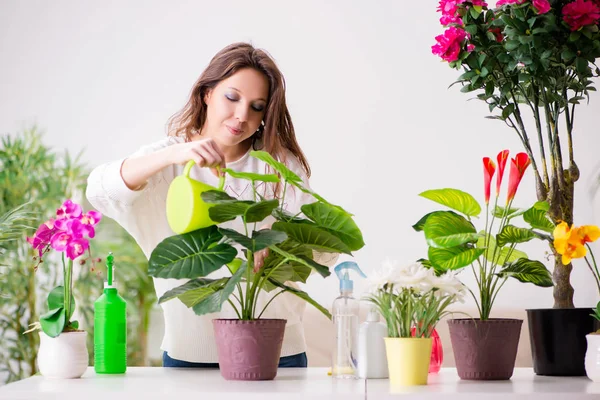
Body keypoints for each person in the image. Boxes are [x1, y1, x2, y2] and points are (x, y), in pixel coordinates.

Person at [86, 42, 335, 368]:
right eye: (232, 98)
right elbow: (101, 189)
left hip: (275, 352)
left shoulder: (276, 165)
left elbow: (326, 246)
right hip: (192, 354)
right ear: (206, 93)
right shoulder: (169, 160)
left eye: (257, 106)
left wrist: (281, 240)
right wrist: (175, 154)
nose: (242, 115)